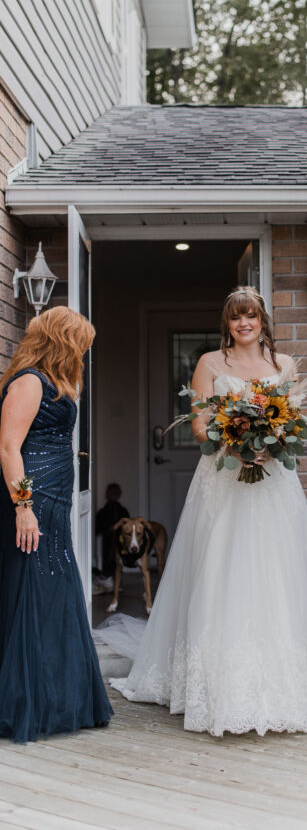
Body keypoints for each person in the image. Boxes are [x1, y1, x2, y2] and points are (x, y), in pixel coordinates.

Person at [110, 286, 307, 736]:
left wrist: (271, 446)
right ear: (227, 323)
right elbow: (199, 426)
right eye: (236, 317)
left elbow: (294, 424)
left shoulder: (284, 366)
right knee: (222, 571)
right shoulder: (209, 364)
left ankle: (282, 686)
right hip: (223, 479)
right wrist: (234, 446)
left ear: (262, 321)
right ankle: (218, 688)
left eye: (251, 316)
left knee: (277, 573)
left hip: (274, 483)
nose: (244, 324)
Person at [0, 306, 113, 742]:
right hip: (33, 502)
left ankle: (57, 697)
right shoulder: (29, 381)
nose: (83, 351)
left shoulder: (56, 381)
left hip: (54, 502)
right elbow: (10, 447)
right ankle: (29, 702)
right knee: (33, 591)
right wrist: (22, 505)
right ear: (62, 340)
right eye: (80, 342)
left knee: (54, 593)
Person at [95, 482, 129, 580]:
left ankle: (116, 576)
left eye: (115, 492)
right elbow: (99, 526)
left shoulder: (122, 510)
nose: (113, 495)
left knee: (118, 554)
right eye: (111, 492)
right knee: (108, 553)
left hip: (120, 538)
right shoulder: (103, 512)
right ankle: (108, 575)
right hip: (108, 538)